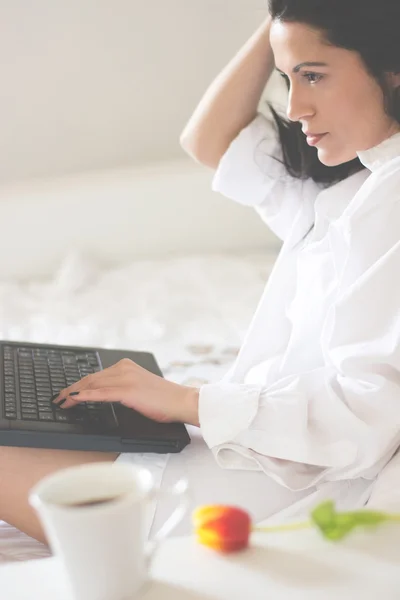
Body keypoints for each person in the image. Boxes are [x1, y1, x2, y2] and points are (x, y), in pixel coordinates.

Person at [2, 0, 400, 545]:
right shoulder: (354, 187)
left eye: (313, 76)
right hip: (264, 444)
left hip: (288, 483)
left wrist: (188, 400)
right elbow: (210, 139)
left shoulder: (391, 195)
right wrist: (289, 14)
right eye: (287, 77)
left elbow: (365, 415)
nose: (296, 105)